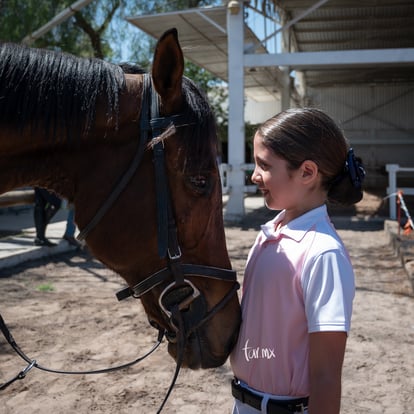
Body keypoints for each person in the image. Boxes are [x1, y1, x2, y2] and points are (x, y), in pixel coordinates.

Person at [230, 108, 365, 414]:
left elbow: (326, 376)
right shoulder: (269, 234)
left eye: (264, 165)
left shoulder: (323, 254)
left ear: (307, 172)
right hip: (242, 404)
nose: (254, 175)